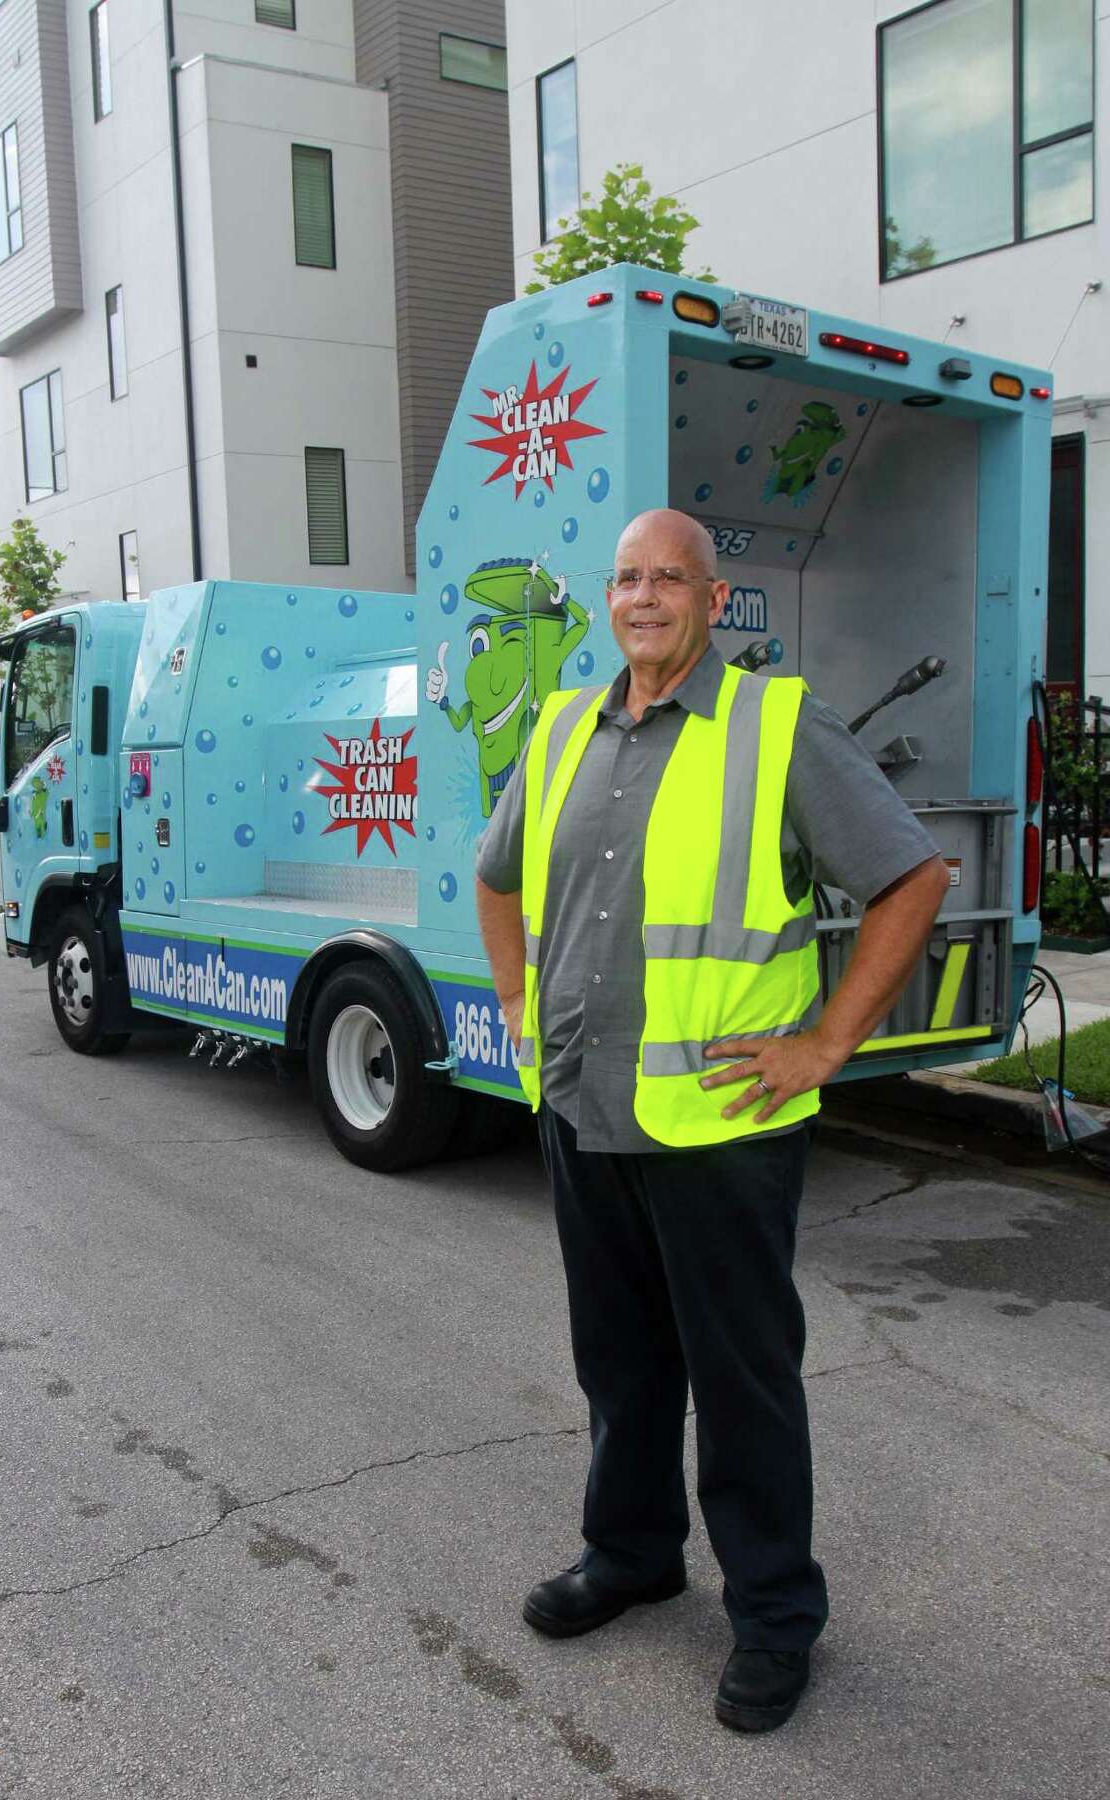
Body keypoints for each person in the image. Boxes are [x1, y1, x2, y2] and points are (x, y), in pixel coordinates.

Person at [475, 508, 949, 1734]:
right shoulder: (569, 725)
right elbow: (496, 876)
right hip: (583, 1107)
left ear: (711, 598)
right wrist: (522, 1000)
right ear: (609, 597)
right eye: (627, 577)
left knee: (743, 1383)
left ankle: (777, 1618)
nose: (644, 596)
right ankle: (632, 1555)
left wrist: (827, 1043)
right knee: (621, 1368)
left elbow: (911, 877)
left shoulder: (777, 726)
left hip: (725, 1129)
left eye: (668, 577)